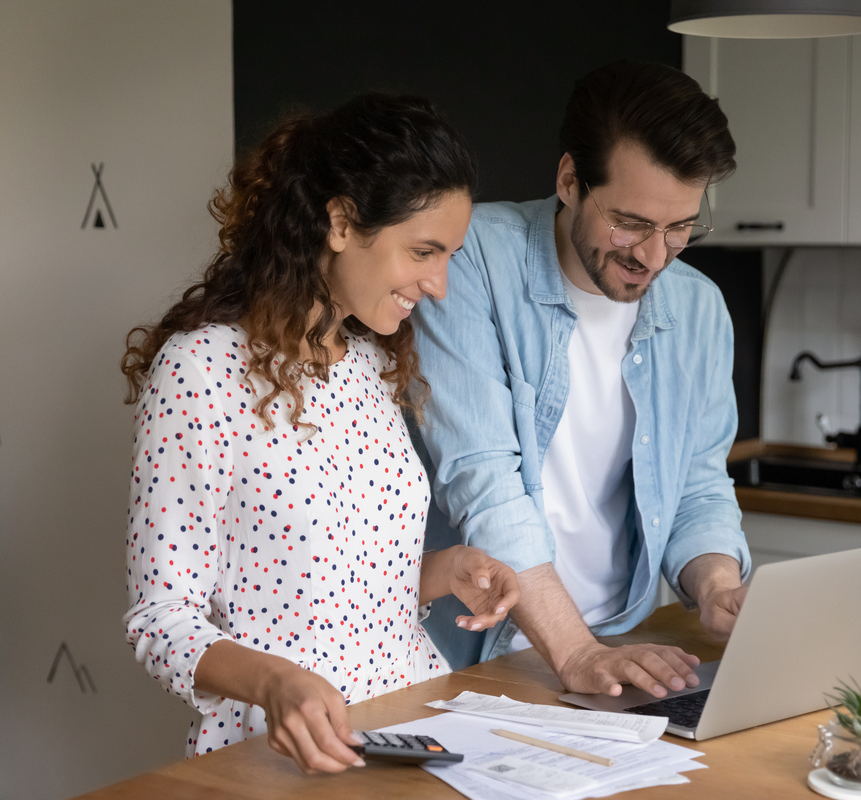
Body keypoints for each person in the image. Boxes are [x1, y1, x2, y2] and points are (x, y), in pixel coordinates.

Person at [120, 93, 520, 775]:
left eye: (451, 254)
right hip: (275, 759)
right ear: (340, 222)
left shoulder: (367, 361)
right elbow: (161, 620)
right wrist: (276, 682)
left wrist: (439, 574)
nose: (441, 284)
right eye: (423, 251)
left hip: (408, 735)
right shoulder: (200, 372)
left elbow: (327, 589)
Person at [413, 61, 750, 700]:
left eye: (679, 227)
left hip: (619, 645)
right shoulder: (470, 258)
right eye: (630, 222)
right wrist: (574, 652)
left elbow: (698, 484)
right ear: (570, 180)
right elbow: (482, 480)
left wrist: (715, 587)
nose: (654, 256)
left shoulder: (699, 308)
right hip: (479, 653)